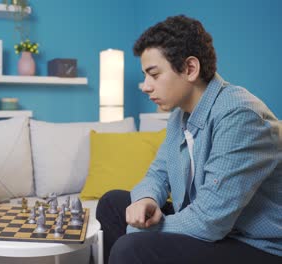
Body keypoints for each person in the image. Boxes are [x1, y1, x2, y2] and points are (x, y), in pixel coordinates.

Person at [96, 15, 281, 264]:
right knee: (112, 203)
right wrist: (146, 199)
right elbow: (158, 174)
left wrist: (138, 230)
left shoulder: (240, 115)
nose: (145, 86)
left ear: (190, 69)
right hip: (219, 228)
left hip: (255, 244)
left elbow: (209, 221)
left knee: (131, 248)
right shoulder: (179, 116)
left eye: (154, 74)